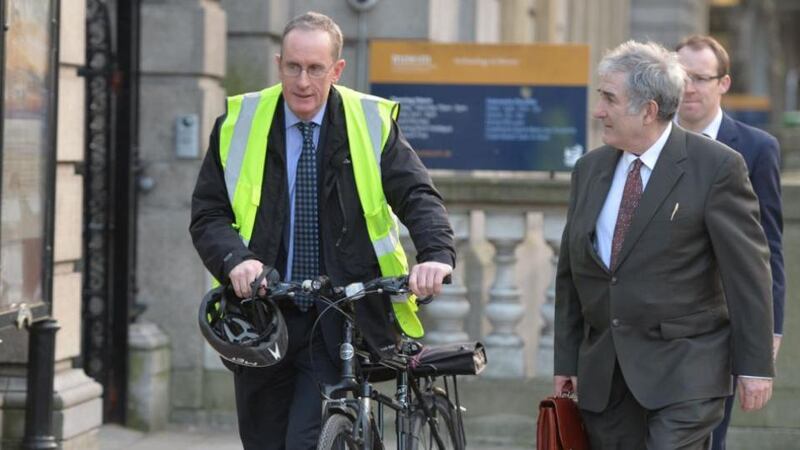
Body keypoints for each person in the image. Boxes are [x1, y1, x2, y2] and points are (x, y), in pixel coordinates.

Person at [190, 11, 455, 450]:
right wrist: (236, 259)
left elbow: (418, 196)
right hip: (262, 317)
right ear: (279, 63)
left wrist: (436, 254)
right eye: (293, 66)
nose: (303, 81)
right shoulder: (239, 123)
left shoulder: (369, 123)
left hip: (338, 317)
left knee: (307, 441)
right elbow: (208, 214)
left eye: (315, 68)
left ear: (337, 69)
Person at [554, 40, 774, 450]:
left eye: (608, 98)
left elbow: (748, 273)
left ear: (648, 110)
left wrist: (756, 365)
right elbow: (571, 273)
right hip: (607, 376)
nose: (597, 110)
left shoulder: (717, 167)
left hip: (685, 373)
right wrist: (566, 360)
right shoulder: (589, 169)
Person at [675, 34, 784, 450]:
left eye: (700, 78)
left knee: (706, 439)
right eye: (681, 76)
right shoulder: (646, 142)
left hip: (721, 326)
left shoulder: (757, 149)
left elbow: (768, 247)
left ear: (723, 83)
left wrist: (768, 331)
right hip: (653, 331)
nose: (688, 88)